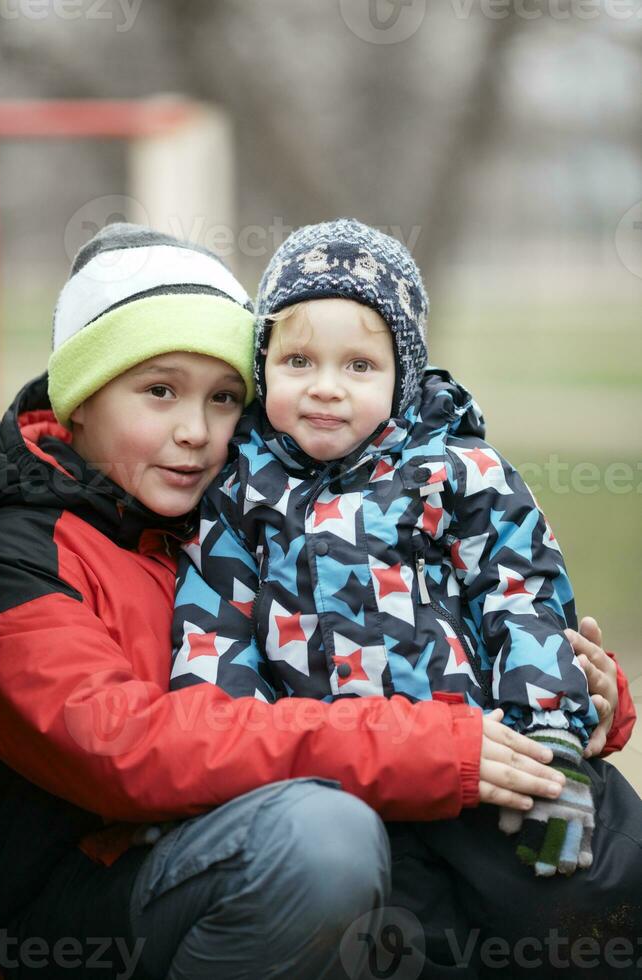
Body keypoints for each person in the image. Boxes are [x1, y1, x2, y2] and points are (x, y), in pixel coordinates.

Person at [0, 222, 607, 980]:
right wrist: (425, 747)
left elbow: (415, 615)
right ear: (81, 398)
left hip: (284, 829)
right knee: (323, 840)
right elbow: (128, 750)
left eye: (225, 398)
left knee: (565, 859)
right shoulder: (13, 560)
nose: (195, 432)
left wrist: (578, 693)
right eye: (159, 391)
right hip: (101, 894)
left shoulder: (229, 510)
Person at [171, 219, 642, 975]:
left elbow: (520, 595)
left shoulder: (454, 471)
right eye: (298, 360)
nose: (325, 385)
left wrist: (549, 725)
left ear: (403, 375)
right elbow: (215, 628)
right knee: (408, 950)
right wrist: (232, 782)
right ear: (264, 367)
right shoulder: (238, 495)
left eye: (358, 365)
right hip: (346, 790)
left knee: (575, 915)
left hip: (482, 768)